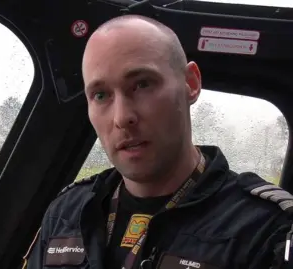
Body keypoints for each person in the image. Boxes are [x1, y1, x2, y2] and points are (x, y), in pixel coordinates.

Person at [22, 14, 293, 269]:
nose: (122, 117)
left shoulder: (267, 230)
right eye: (101, 95)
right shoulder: (67, 212)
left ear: (191, 83)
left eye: (142, 85)